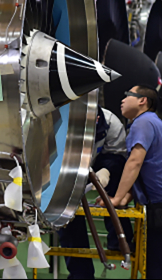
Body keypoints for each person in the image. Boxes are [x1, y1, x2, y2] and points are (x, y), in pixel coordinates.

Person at [98, 84, 162, 279]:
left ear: (142, 100)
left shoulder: (143, 122)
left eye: (127, 95)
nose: (122, 100)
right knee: (160, 268)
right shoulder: (150, 122)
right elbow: (146, 171)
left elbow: (135, 163)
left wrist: (117, 198)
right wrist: (125, 198)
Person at [57, 106, 133, 279]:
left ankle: (120, 240)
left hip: (97, 164)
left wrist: (107, 170)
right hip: (64, 168)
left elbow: (116, 154)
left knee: (118, 176)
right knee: (68, 215)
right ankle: (80, 273)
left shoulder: (111, 123)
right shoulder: (57, 120)